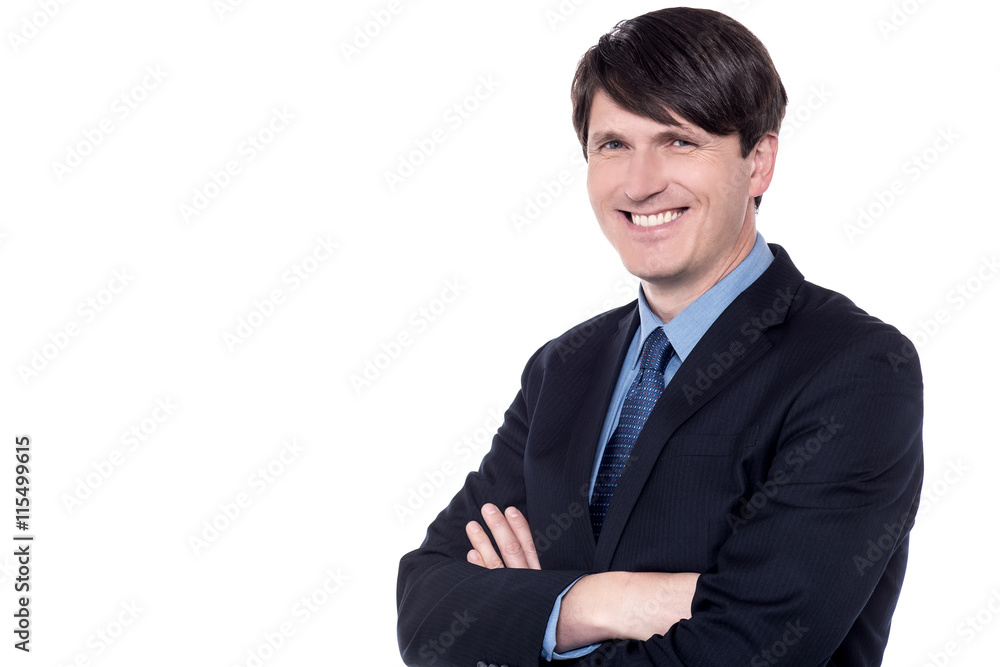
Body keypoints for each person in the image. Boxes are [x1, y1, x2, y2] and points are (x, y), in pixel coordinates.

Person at [396, 7, 923, 666]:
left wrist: (529, 617)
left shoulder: (855, 368)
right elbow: (425, 610)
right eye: (613, 145)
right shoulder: (564, 367)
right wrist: (604, 600)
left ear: (758, 163)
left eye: (678, 141)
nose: (641, 184)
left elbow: (751, 650)